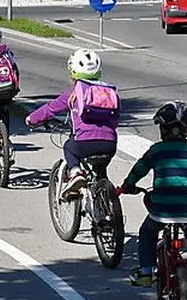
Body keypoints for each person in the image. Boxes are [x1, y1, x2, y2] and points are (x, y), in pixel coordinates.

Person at [118, 101, 187, 287]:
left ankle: (146, 272)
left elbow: (138, 170)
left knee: (148, 232)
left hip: (161, 208)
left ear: (163, 129)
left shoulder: (156, 151)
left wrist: (127, 186)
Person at [25, 49, 120, 197]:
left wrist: (32, 119)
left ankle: (75, 173)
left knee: (69, 146)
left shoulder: (75, 93)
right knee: (100, 172)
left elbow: (51, 108)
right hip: (110, 143)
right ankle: (108, 201)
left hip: (84, 143)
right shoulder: (110, 92)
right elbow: (115, 120)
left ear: (73, 72)